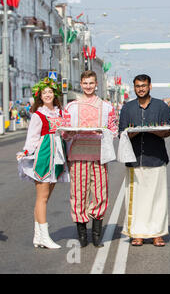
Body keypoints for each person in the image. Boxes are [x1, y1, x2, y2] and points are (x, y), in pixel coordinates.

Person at [63, 70, 118, 248]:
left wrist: (106, 132)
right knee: (78, 194)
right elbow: (64, 132)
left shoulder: (107, 107)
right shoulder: (71, 107)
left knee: (101, 193)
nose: (88, 86)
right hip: (78, 154)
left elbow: (113, 130)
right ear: (81, 84)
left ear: (96, 85)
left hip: (99, 154)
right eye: (85, 83)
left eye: (91, 83)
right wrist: (70, 132)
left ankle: (96, 235)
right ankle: (82, 235)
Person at [119, 74, 170, 247]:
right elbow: (122, 133)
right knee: (136, 200)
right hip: (134, 159)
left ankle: (157, 234)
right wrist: (132, 132)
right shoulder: (127, 108)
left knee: (158, 199)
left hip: (156, 157)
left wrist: (152, 130)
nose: (141, 88)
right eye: (137, 86)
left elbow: (167, 131)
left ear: (150, 86)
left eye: (143, 85)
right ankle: (138, 233)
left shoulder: (161, 106)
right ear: (134, 88)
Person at [17, 78, 69, 249]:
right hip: (45, 155)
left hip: (58, 156)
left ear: (55, 95)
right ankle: (44, 237)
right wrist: (25, 152)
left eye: (50, 92)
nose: (48, 95)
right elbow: (32, 137)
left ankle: (38, 236)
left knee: (46, 197)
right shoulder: (38, 115)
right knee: (43, 197)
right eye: (44, 92)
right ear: (40, 96)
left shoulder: (59, 113)